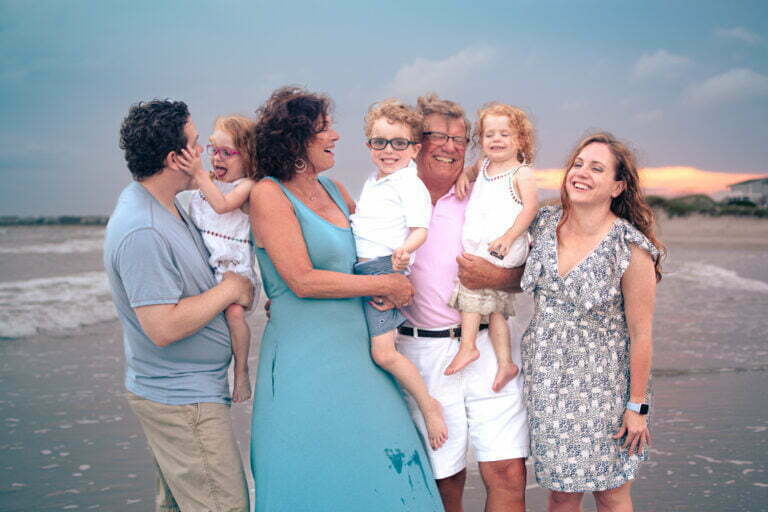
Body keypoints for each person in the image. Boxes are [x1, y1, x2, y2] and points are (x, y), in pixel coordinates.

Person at [247, 86, 444, 511]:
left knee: (392, 466)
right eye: (324, 129)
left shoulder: (336, 190)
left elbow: (381, 237)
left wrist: (399, 279)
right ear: (296, 139)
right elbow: (302, 280)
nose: (335, 136)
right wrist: (384, 286)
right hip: (305, 361)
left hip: (363, 354)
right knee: (314, 474)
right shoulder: (268, 193)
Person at [104, 100, 253, 511]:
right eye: (196, 144)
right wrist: (232, 288)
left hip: (186, 392)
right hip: (182, 400)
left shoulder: (169, 206)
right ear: (174, 159)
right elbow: (162, 327)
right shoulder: (143, 229)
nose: (204, 153)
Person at [396, 93, 529, 512]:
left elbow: (530, 268)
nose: (450, 147)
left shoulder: (484, 191)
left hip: (491, 345)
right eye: (438, 136)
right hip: (425, 352)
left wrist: (497, 277)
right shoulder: (393, 197)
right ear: (416, 141)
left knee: (508, 471)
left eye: (459, 139)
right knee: (444, 479)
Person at [520, 132, 662, 511]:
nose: (581, 173)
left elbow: (641, 334)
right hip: (547, 384)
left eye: (596, 168)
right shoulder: (543, 224)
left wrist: (637, 407)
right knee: (560, 493)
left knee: (610, 493)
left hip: (604, 392)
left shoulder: (629, 247)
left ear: (617, 186)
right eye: (578, 164)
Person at [350, 99, 448, 450]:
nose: (388, 150)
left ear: (414, 149)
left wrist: (405, 250)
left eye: (398, 143)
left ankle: (428, 404)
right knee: (367, 350)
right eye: (380, 142)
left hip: (385, 267)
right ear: (369, 145)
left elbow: (421, 228)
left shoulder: (410, 184)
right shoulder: (374, 181)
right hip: (362, 270)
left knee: (384, 353)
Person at [447, 102, 540, 392]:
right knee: (496, 308)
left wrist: (509, 237)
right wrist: (463, 177)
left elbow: (530, 208)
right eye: (489, 135)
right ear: (481, 140)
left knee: (471, 284)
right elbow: (470, 172)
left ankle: (468, 346)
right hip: (488, 245)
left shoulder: (521, 173)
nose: (496, 139)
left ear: (520, 140)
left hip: (503, 246)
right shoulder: (484, 166)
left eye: (504, 134)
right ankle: (506, 363)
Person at [177, 115, 259, 403]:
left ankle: (241, 370)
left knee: (234, 314)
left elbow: (223, 206)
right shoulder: (207, 182)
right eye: (214, 150)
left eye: (227, 152)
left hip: (235, 269)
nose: (217, 158)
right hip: (207, 267)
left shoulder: (246, 186)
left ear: (247, 157)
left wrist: (199, 175)